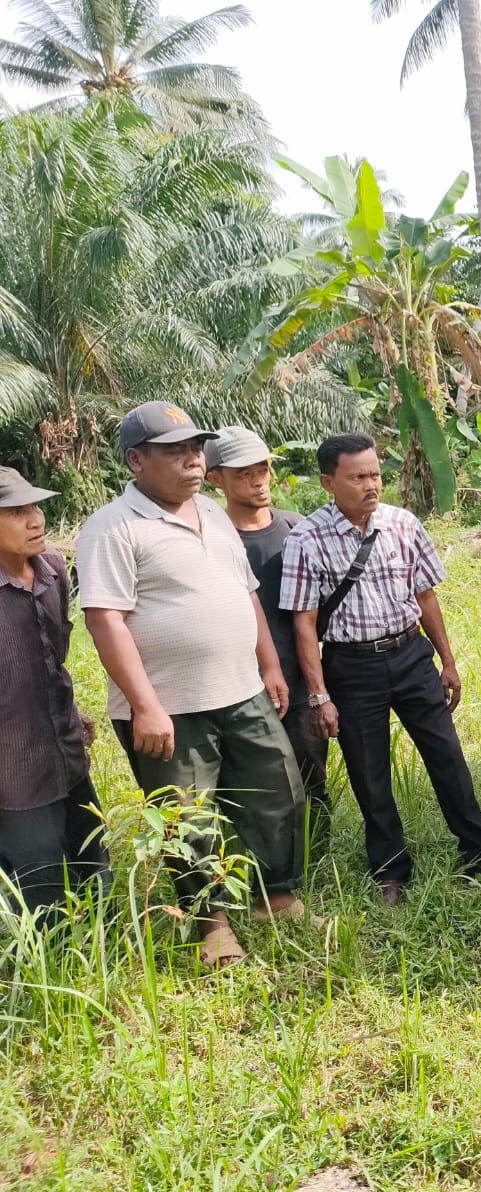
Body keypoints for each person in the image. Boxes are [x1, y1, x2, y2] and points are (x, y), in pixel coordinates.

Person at [78, 402, 308, 965]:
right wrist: (145, 706)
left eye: (196, 449)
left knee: (279, 792)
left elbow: (245, 592)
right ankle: (211, 925)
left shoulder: (211, 511)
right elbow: (105, 620)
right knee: (187, 817)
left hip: (242, 689)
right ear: (135, 461)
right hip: (170, 706)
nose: (194, 461)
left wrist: (269, 665)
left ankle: (274, 898)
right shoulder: (112, 527)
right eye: (175, 452)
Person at [279, 433, 481, 905]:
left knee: (447, 757)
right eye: (357, 477)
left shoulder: (403, 524)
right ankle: (390, 871)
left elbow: (426, 596)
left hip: (410, 655)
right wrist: (319, 695)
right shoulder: (306, 539)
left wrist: (447, 660)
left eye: (375, 474)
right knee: (369, 773)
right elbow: (303, 623)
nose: (371, 485)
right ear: (328, 482)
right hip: (351, 667)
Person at [203, 426, 332, 856]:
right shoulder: (209, 537)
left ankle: (314, 858)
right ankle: (257, 862)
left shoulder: (297, 529)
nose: (258, 481)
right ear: (215, 478)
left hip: (299, 678)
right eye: (244, 474)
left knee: (310, 772)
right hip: (237, 683)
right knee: (249, 781)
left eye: (263, 470)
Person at [0, 466, 109, 915]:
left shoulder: (51, 569)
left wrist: (73, 712)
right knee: (39, 882)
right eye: (16, 512)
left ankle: (103, 935)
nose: (35, 521)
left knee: (92, 857)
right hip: (11, 765)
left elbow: (54, 656)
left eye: (35, 507)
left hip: (63, 745)